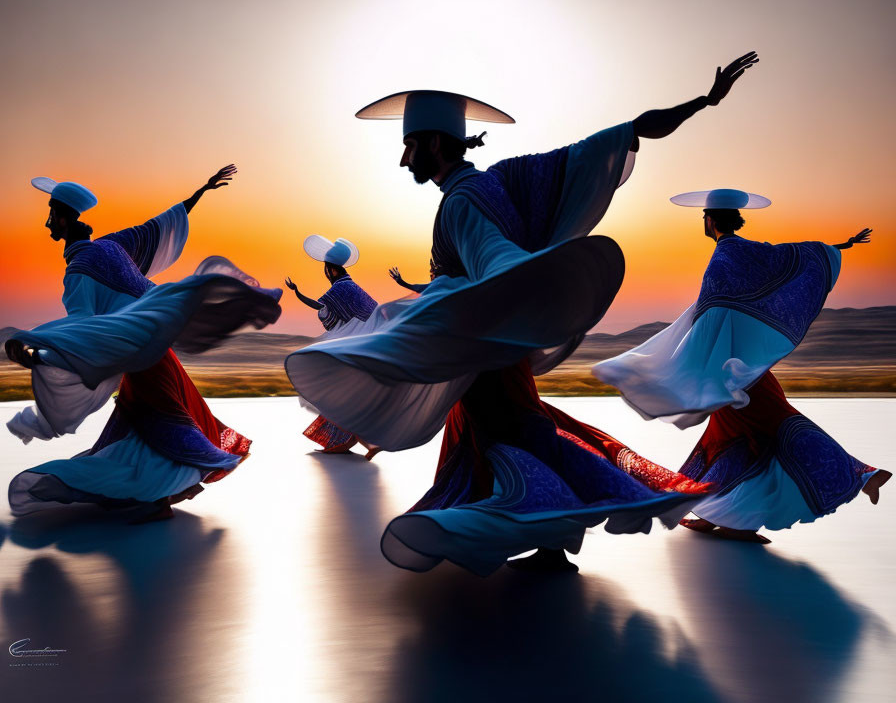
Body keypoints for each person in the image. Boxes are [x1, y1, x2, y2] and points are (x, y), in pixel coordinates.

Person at [286, 53, 758, 574]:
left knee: (512, 436)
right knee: (514, 433)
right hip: (492, 340)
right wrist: (704, 102)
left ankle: (546, 531)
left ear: (436, 144)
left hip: (487, 344)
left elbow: (494, 261)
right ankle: (544, 540)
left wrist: (499, 297)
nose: (403, 160)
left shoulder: (464, 202)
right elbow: (622, 135)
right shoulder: (504, 180)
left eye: (409, 146)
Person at [593, 188, 890, 543]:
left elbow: (709, 315)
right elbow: (798, 255)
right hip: (740, 367)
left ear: (712, 220)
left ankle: (861, 474)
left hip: (732, 371)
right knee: (730, 438)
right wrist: (838, 247)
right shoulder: (751, 251)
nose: (703, 222)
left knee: (777, 424)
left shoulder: (725, 256)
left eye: (704, 217)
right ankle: (716, 512)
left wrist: (688, 362)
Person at [6, 166, 283, 522]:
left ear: (62, 219)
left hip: (143, 358)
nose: (47, 224)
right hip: (156, 352)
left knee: (159, 423)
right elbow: (159, 225)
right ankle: (152, 494)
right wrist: (201, 190)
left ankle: (155, 497)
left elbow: (82, 325)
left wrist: (35, 349)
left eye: (50, 216)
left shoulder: (77, 272)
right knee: (145, 425)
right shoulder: (112, 246)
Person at [285, 235, 380, 458]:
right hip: (366, 348)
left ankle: (368, 441)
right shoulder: (354, 287)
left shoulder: (339, 289)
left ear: (333, 270)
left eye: (326, 270)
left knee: (338, 393)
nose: (326, 274)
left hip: (352, 350)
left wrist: (297, 292)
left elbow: (321, 308)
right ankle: (361, 441)